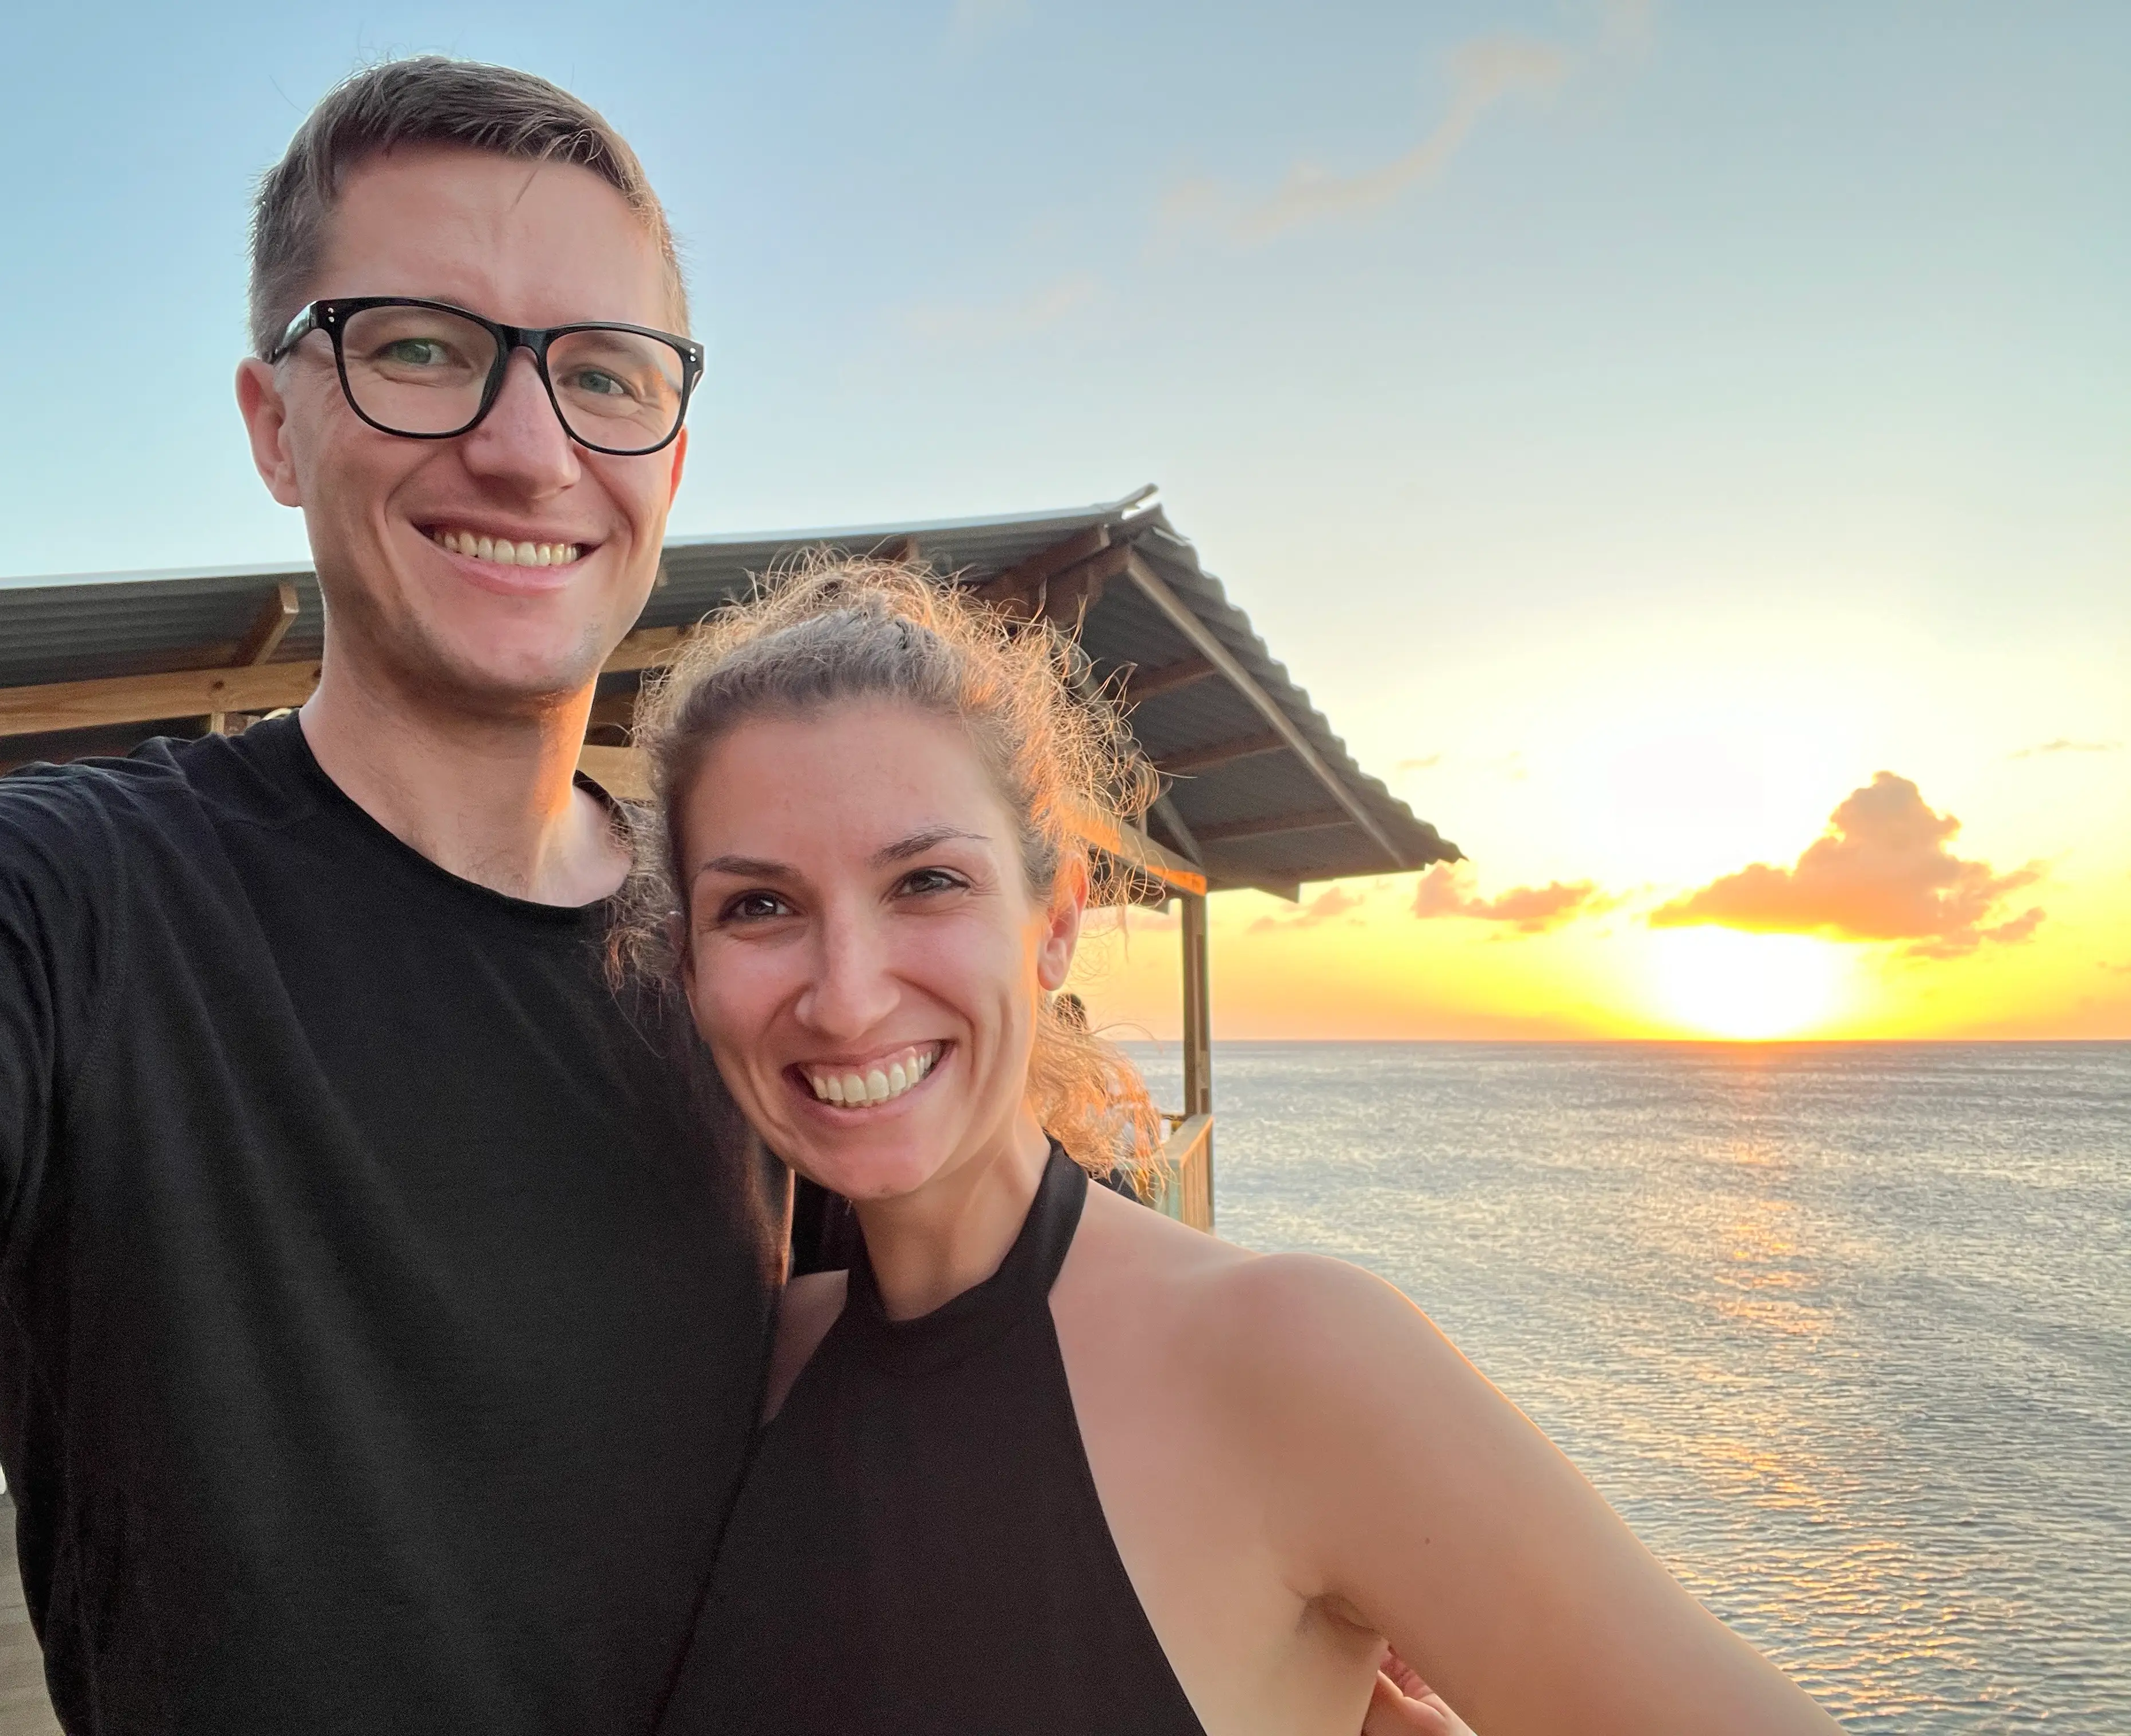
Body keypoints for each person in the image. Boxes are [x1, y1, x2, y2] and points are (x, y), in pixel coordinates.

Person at [0, 59, 783, 1735]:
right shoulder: (46, 908)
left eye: (603, 375)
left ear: (673, 460)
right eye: (420, 349)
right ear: (275, 425)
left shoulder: (761, 950)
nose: (529, 450)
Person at [614, 558, 1847, 1736]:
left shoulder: (1294, 1361)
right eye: (759, 906)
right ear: (690, 967)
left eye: (927, 882)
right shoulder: (758, 1372)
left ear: (1055, 923)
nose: (845, 996)